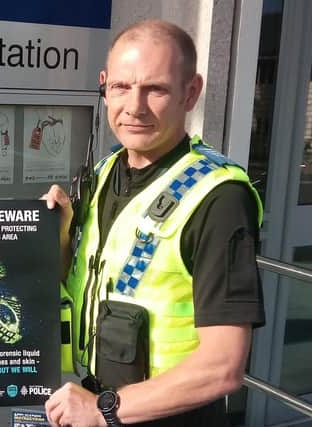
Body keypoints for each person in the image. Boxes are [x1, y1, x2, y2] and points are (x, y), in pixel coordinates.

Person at [43, 20, 264, 426]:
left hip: (167, 416)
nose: (134, 107)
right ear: (104, 86)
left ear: (191, 92)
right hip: (99, 402)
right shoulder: (107, 171)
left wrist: (100, 411)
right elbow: (88, 288)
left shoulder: (218, 198)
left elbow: (224, 365)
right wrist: (54, 241)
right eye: (121, 87)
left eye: (155, 89)